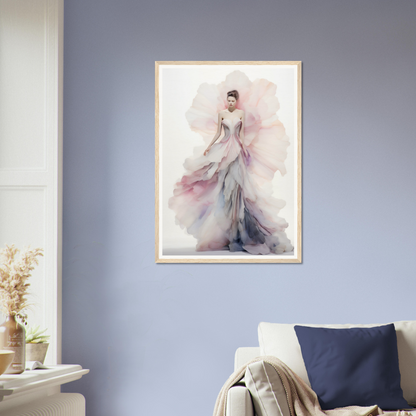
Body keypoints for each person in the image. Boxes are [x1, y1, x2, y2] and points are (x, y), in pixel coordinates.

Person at [168, 89, 293, 255]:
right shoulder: (222, 114)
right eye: (229, 101)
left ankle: (240, 227)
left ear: (237, 101)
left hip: (237, 150)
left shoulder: (241, 113)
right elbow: (218, 134)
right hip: (224, 149)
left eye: (233, 101)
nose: (230, 103)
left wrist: (244, 149)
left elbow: (240, 135)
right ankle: (227, 229)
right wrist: (210, 147)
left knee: (237, 187)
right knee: (224, 185)